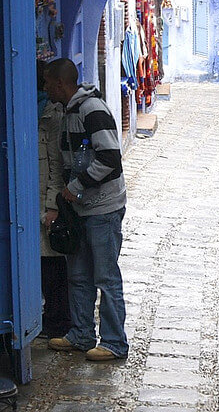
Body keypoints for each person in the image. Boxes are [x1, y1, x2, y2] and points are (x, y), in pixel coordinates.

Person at [43, 58, 129, 361]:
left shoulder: (91, 110)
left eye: (47, 83)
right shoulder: (68, 112)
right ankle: (81, 334)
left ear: (60, 84)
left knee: (105, 277)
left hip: (103, 208)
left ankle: (115, 342)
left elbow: (109, 158)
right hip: (80, 210)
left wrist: (75, 188)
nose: (44, 88)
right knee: (78, 276)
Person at [37, 60, 72, 339]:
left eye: (50, 82)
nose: (48, 86)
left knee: (54, 266)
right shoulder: (35, 112)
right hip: (32, 200)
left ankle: (58, 322)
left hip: (46, 203)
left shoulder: (53, 116)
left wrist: (52, 205)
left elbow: (56, 165)